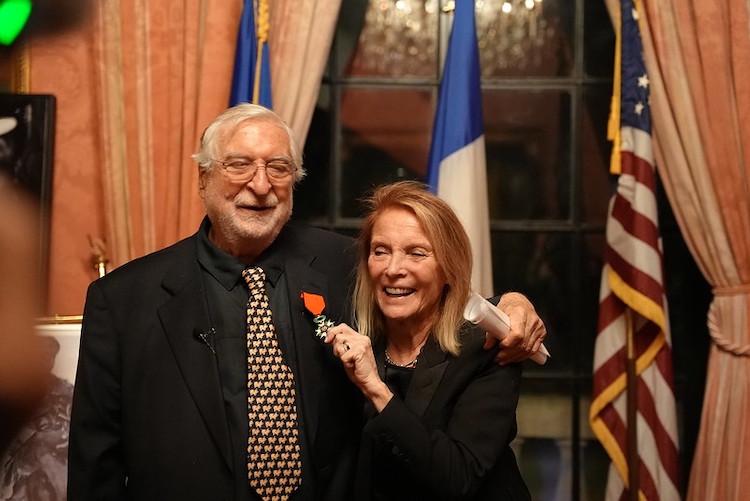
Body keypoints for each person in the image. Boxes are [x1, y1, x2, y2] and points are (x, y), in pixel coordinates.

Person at [68, 103, 544, 500]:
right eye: (239, 165)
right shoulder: (124, 299)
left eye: (278, 168)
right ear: (203, 178)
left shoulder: (345, 265)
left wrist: (512, 305)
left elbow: (429, 294)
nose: (260, 184)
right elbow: (96, 462)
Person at [325, 181, 530, 500]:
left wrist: (377, 390)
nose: (393, 269)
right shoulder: (357, 340)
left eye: (416, 253)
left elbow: (457, 478)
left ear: (449, 268)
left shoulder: (485, 347)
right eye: (381, 251)